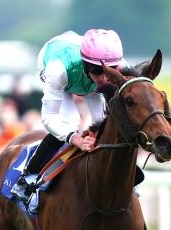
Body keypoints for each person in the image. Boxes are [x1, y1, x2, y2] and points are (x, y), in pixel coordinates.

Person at [11, 29, 124, 201]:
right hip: (56, 62)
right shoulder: (57, 69)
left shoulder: (121, 66)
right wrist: (76, 139)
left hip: (84, 76)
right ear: (86, 64)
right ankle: (27, 177)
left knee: (104, 122)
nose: (103, 78)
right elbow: (49, 117)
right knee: (70, 122)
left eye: (109, 70)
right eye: (97, 70)